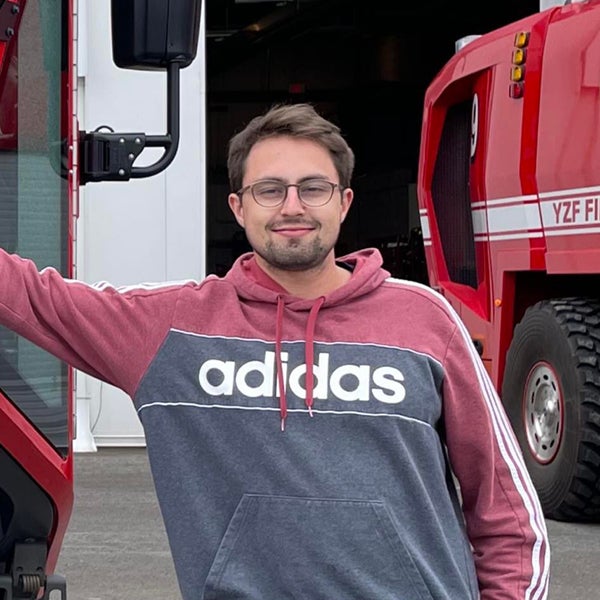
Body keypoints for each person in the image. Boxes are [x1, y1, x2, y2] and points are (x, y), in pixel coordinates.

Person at [0, 103, 549, 599]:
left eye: (313, 188)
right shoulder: (169, 329)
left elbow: (507, 513)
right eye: (270, 189)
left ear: (345, 202)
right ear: (238, 207)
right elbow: (31, 295)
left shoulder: (426, 321)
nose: (292, 207)